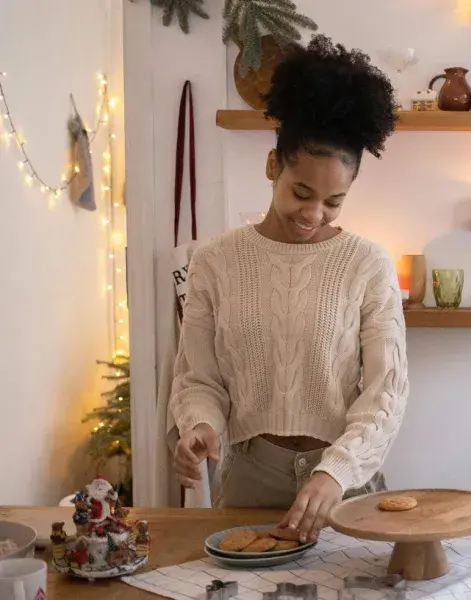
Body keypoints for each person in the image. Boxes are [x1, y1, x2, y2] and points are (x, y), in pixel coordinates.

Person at [169, 35, 408, 543]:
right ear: (273, 166)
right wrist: (200, 427)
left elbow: (385, 391)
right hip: (250, 479)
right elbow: (199, 379)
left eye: (333, 201)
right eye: (302, 192)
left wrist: (336, 470)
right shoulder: (214, 262)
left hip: (343, 481)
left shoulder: (367, 263)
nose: (313, 214)